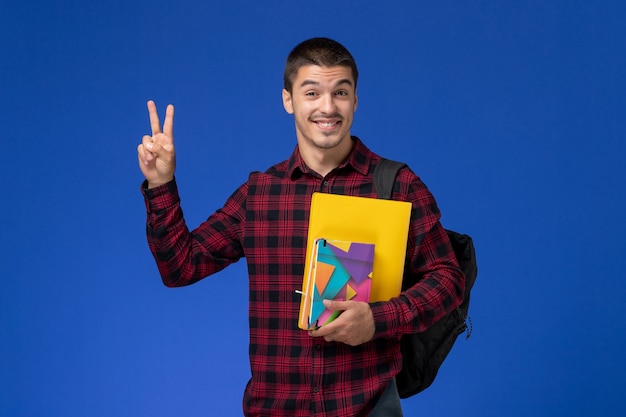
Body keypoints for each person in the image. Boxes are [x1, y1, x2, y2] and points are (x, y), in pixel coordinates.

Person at [137, 37, 464, 417]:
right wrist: (161, 184)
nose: (328, 107)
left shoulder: (397, 185)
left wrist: (378, 319)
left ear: (355, 100)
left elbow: (448, 278)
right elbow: (180, 267)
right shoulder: (259, 195)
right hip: (275, 409)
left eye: (340, 92)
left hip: (369, 405)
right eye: (312, 92)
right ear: (288, 100)